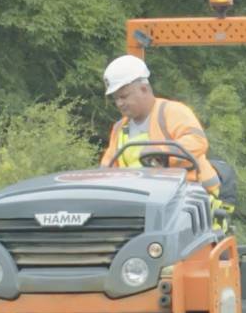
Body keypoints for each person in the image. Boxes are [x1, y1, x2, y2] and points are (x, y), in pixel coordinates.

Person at [99, 55, 232, 227]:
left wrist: (161, 153)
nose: (119, 103)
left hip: (190, 200)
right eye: (116, 98)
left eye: (124, 96)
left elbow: (197, 141)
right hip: (144, 203)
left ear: (144, 89)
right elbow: (107, 168)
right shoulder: (119, 128)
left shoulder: (172, 112)